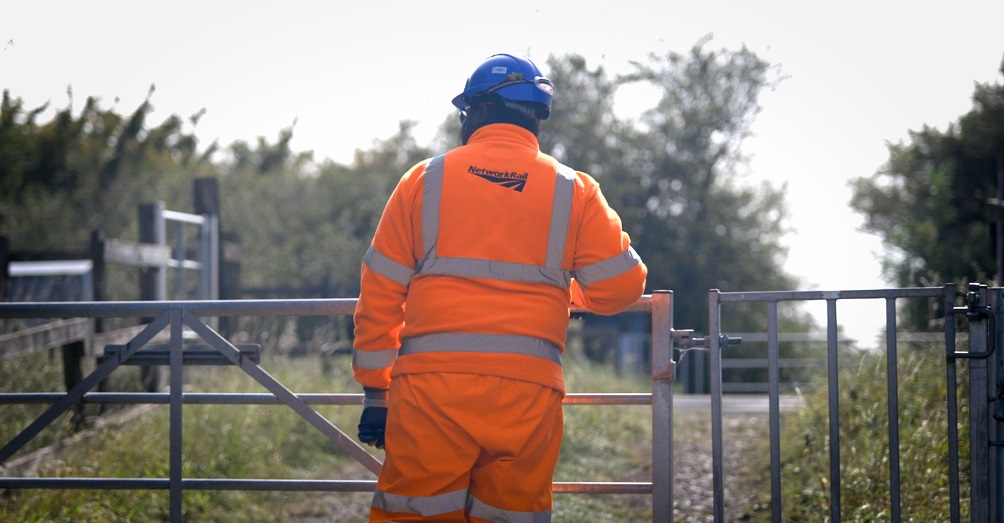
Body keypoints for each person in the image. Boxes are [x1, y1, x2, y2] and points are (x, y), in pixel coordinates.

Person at [351, 53, 648, 523]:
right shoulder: (575, 189)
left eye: (466, 112)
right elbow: (622, 286)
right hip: (528, 395)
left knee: (417, 512)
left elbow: (381, 292)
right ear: (535, 116)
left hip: (431, 391)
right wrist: (564, 294)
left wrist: (375, 392)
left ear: (481, 110)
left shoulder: (422, 180)